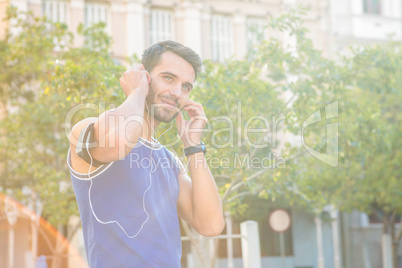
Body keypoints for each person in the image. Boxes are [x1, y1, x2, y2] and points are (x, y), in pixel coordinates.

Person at [67, 41, 225, 267]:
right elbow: (120, 142)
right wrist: (137, 91)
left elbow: (211, 225)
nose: (177, 93)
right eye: (168, 78)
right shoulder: (88, 127)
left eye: (186, 86)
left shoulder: (170, 161)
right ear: (143, 75)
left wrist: (192, 146)